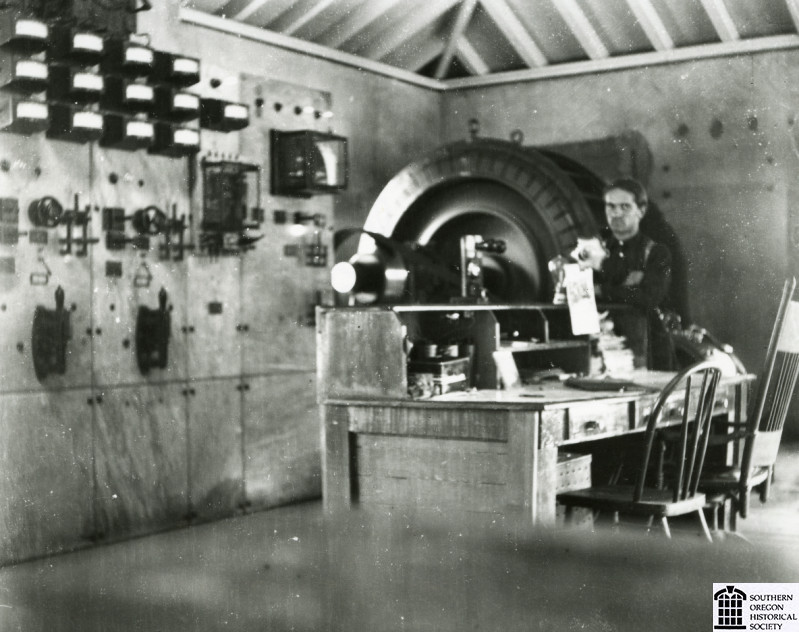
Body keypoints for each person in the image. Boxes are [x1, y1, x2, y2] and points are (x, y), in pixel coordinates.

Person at [595, 178, 676, 370]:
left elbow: (648, 297)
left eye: (625, 207)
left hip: (650, 352)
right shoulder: (595, 252)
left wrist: (602, 290)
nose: (616, 213)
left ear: (641, 210)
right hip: (604, 348)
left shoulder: (656, 253)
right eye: (611, 206)